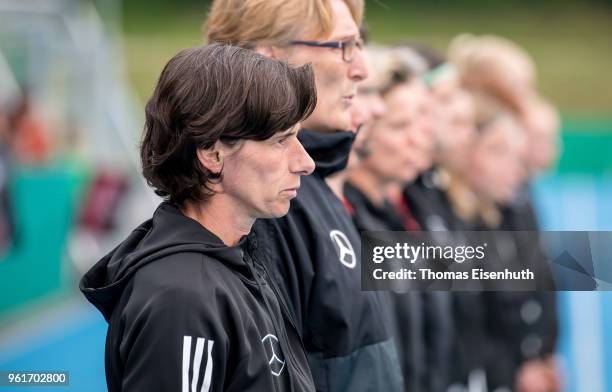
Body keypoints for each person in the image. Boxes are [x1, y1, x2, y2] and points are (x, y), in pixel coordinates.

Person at [80, 44, 319, 392]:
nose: (305, 162)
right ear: (212, 153)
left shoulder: (235, 258)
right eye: (282, 140)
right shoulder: (182, 298)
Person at [205, 1, 404, 391]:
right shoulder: (267, 202)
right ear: (270, 56)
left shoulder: (311, 184)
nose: (362, 70)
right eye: (343, 46)